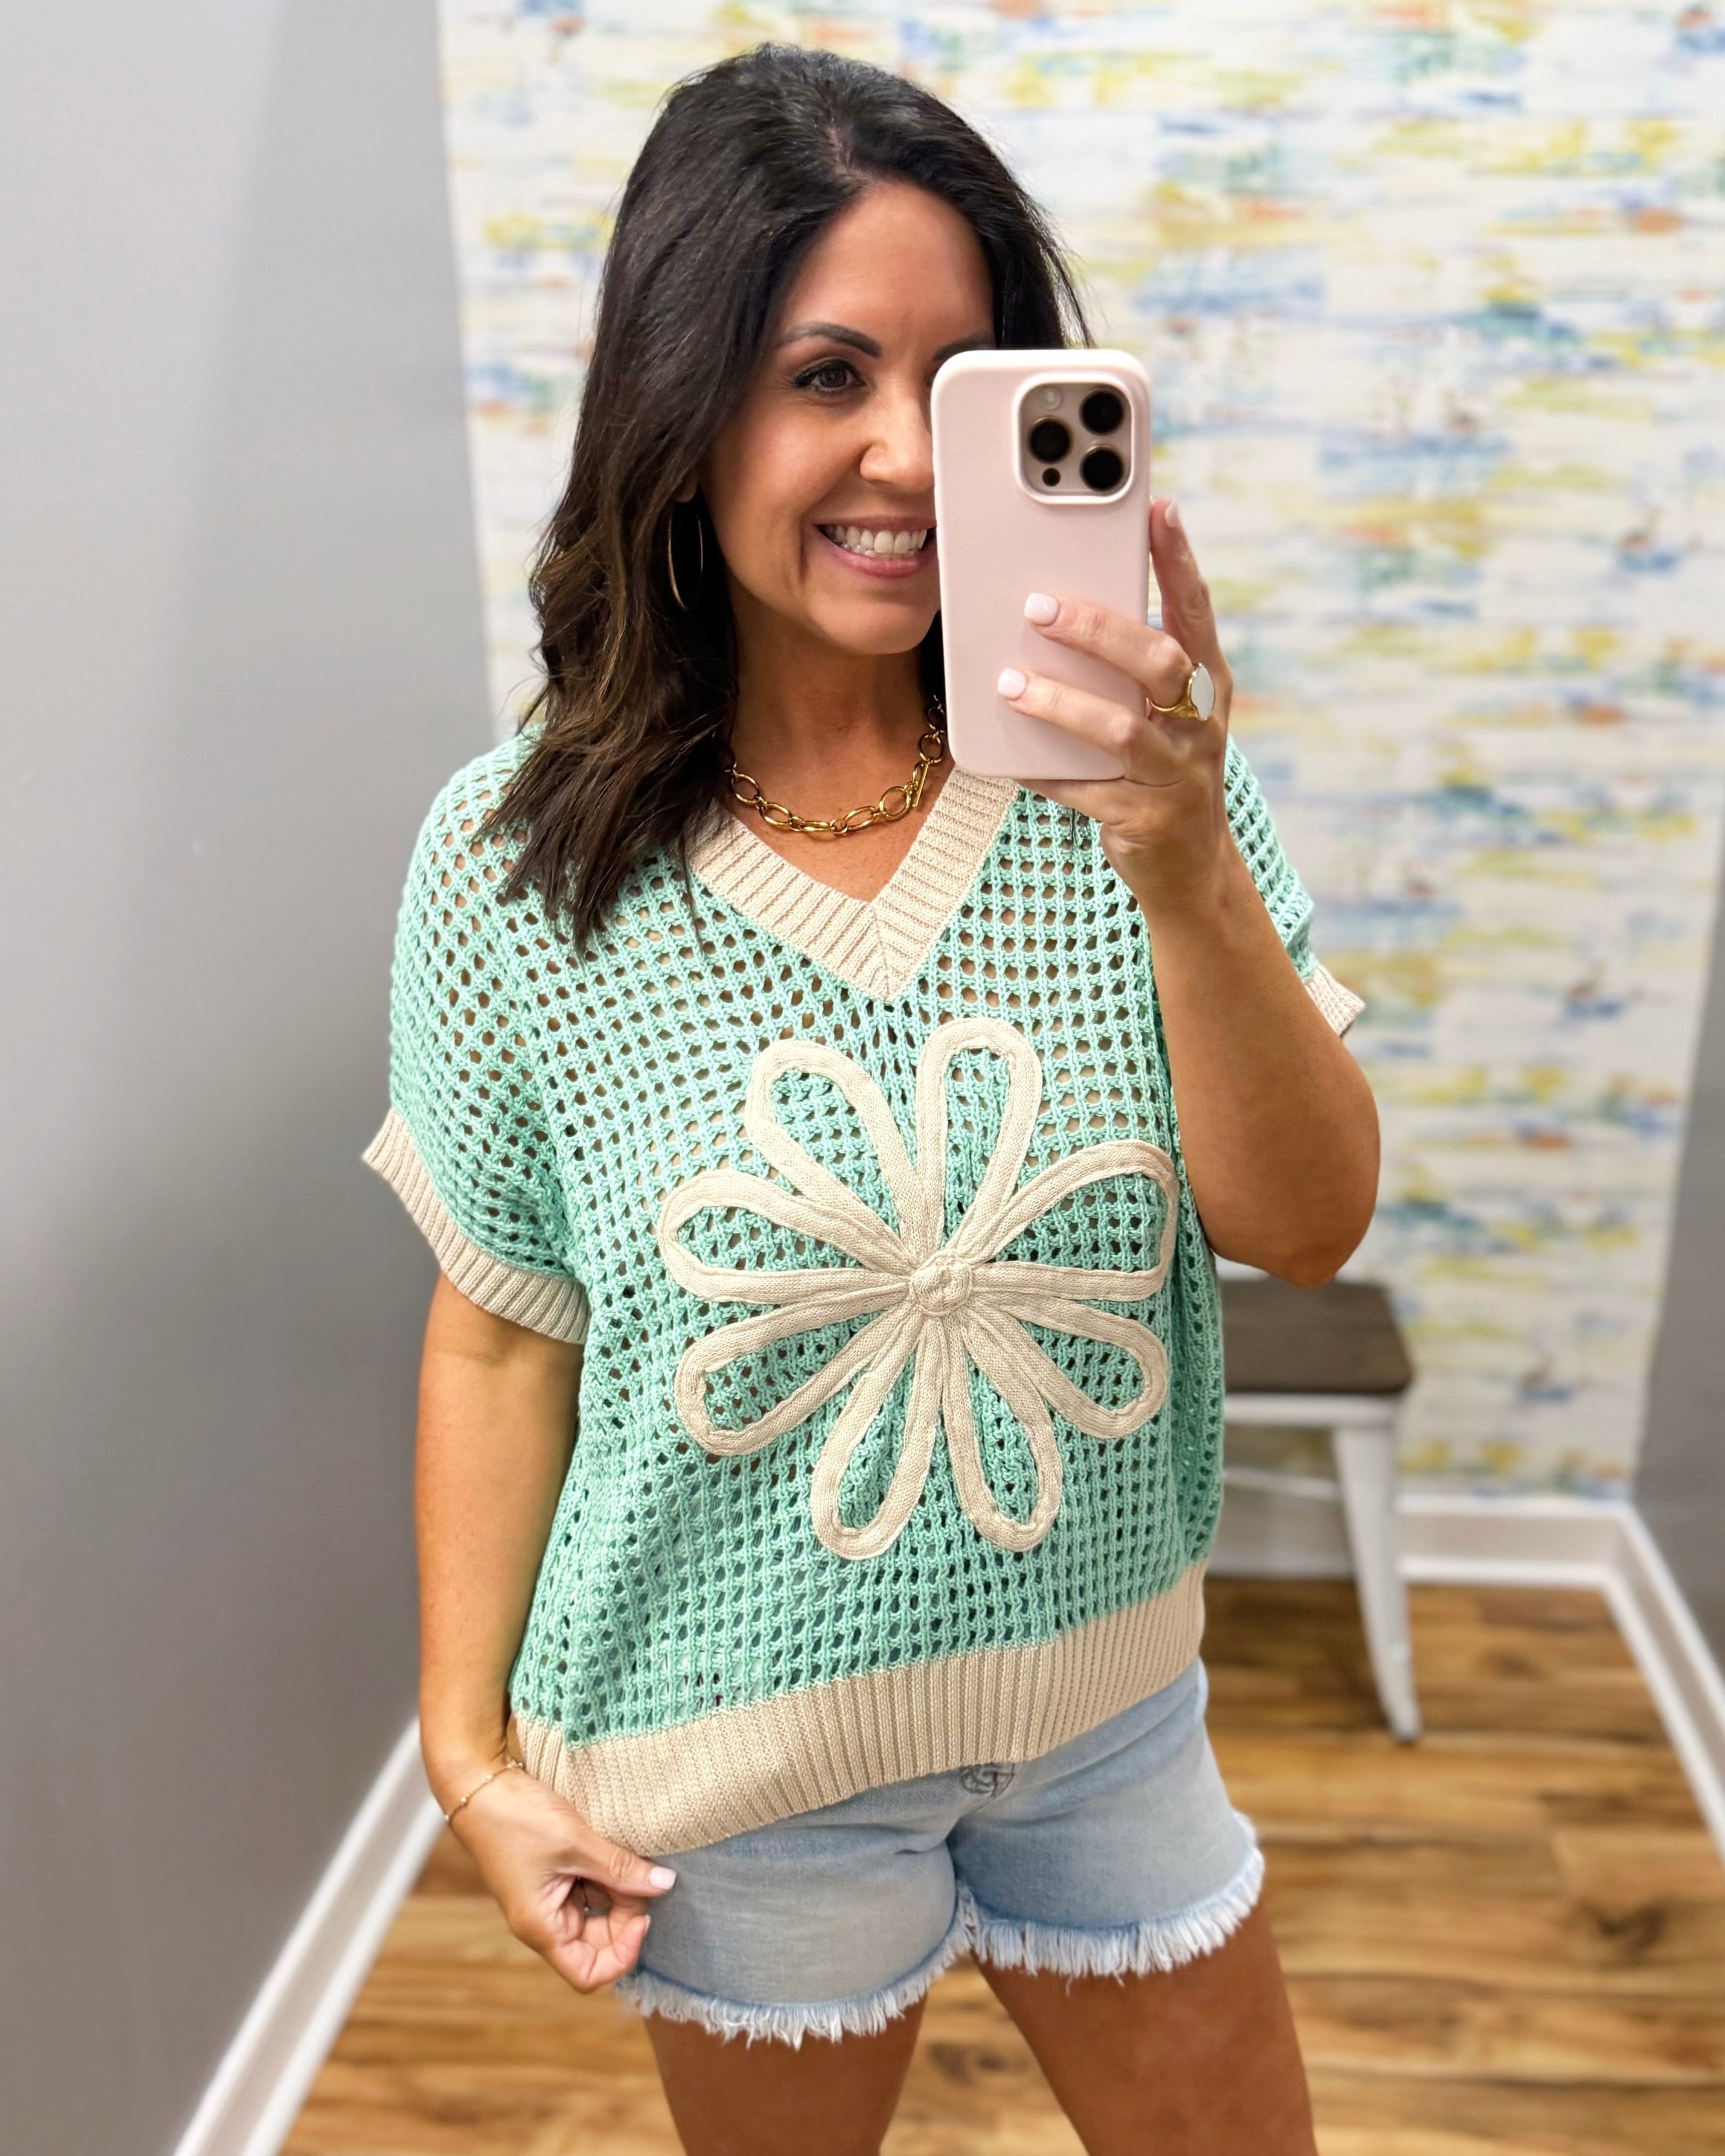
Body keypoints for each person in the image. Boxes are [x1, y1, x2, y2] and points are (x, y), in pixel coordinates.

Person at [365, 42, 1377, 2156]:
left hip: (1110, 1715)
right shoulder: (509, 865)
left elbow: (1302, 1225)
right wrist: (471, 1755)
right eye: (824, 374)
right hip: (730, 1772)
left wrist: (1181, 858)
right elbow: (495, 1326)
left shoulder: (1139, 790)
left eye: (967, 382)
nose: (904, 458)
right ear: (682, 401)